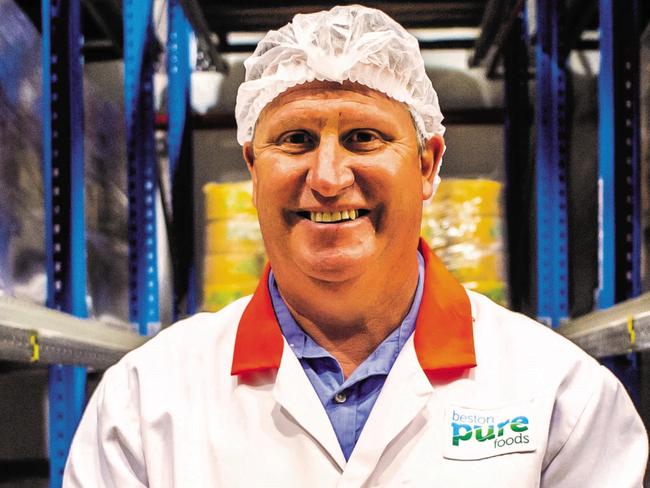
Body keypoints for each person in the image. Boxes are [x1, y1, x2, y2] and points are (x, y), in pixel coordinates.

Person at [64, 5, 648, 487]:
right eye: (294, 139)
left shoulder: (560, 397)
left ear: (427, 163)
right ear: (252, 166)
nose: (327, 177)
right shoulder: (144, 404)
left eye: (363, 137)